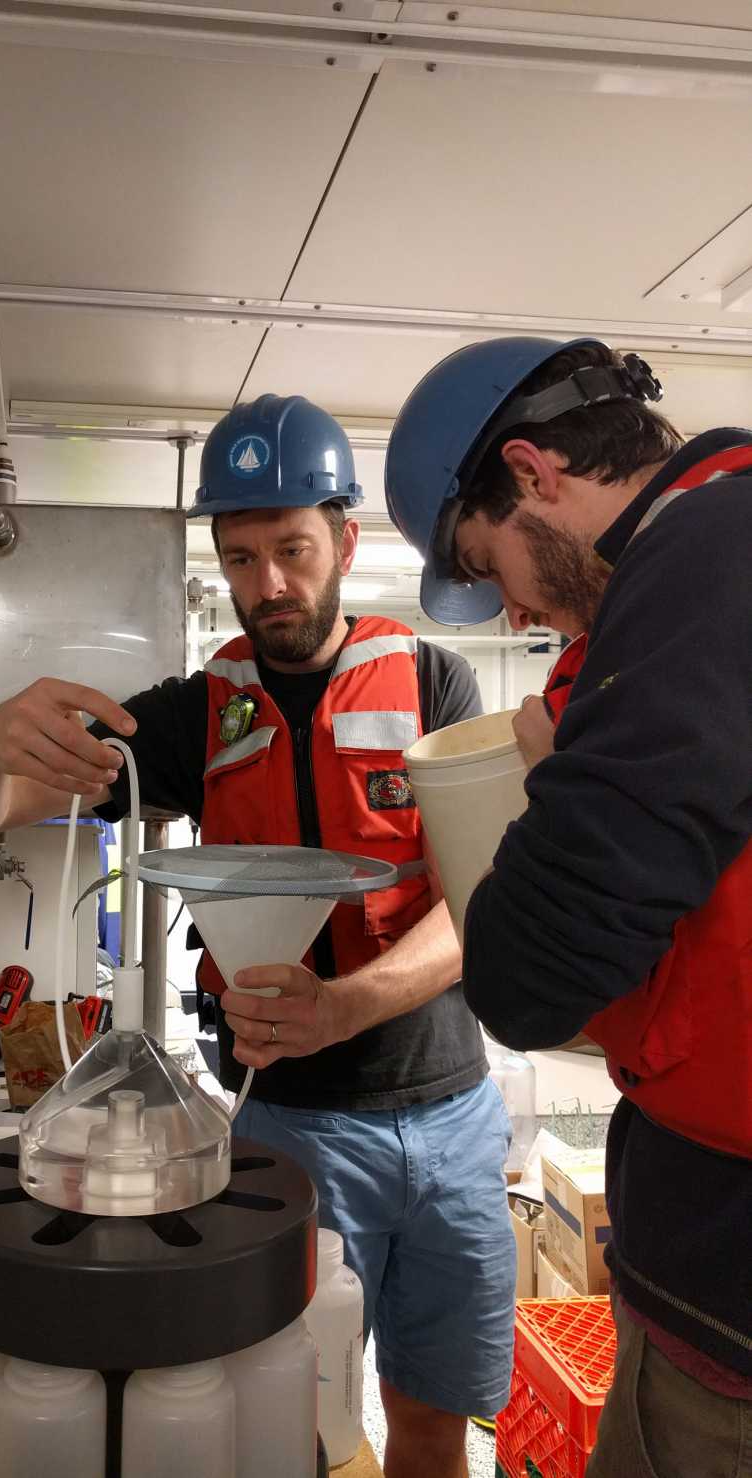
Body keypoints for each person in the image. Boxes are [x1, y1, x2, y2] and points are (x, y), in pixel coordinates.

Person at [0, 393, 516, 1478]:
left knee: (432, 1416)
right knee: (275, 1414)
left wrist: (351, 1001)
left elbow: (480, 900)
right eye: (240, 557)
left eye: (292, 549)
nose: (268, 586)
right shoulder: (195, 711)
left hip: (447, 1113)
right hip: (282, 1124)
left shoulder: (435, 680)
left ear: (344, 539)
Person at [385, 337, 752, 1477]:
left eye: (487, 562)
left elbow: (530, 976)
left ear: (534, 471)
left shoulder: (704, 552)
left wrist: (547, 789)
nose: (505, 609)